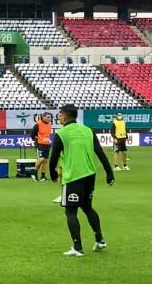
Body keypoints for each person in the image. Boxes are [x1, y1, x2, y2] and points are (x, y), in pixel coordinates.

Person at [49, 104, 115, 257]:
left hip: (73, 177)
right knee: (87, 208)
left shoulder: (62, 133)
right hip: (89, 176)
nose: (59, 117)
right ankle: (100, 239)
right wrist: (109, 173)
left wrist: (52, 174)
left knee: (70, 211)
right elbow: (100, 153)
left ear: (65, 116)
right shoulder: (88, 130)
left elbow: (53, 157)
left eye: (60, 115)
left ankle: (77, 247)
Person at [30, 112, 52, 182]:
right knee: (41, 159)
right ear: (43, 117)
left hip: (47, 144)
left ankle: (43, 176)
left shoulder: (49, 125)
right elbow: (32, 135)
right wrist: (38, 141)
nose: (49, 119)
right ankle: (34, 173)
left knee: (45, 161)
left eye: (50, 117)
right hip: (40, 145)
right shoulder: (38, 124)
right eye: (48, 117)